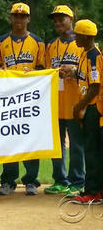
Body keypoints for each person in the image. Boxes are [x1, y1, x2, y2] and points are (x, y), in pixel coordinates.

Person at [0, 2, 45, 195]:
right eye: (16, 16)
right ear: (11, 18)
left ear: (28, 19)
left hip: (30, 98)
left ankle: (31, 180)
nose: (19, 20)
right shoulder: (0, 41)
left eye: (23, 16)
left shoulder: (38, 42)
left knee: (31, 138)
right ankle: (8, 180)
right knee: (9, 137)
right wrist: (1, 72)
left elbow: (42, 70)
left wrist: (29, 75)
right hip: (8, 99)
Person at [60, 19, 103, 204]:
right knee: (93, 151)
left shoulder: (94, 56)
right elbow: (85, 76)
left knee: (92, 152)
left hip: (94, 108)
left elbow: (95, 86)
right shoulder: (86, 54)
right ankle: (97, 190)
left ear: (86, 37)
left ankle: (92, 193)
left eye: (77, 35)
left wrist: (79, 106)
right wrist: (72, 72)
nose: (74, 38)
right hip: (90, 108)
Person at [44, 5, 85, 196]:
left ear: (72, 19)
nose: (58, 22)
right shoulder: (51, 45)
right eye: (56, 19)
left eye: (62, 18)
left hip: (76, 102)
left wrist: (74, 72)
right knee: (57, 145)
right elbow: (44, 73)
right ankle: (60, 180)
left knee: (77, 144)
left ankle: (77, 181)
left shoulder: (83, 44)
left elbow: (91, 73)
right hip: (55, 102)